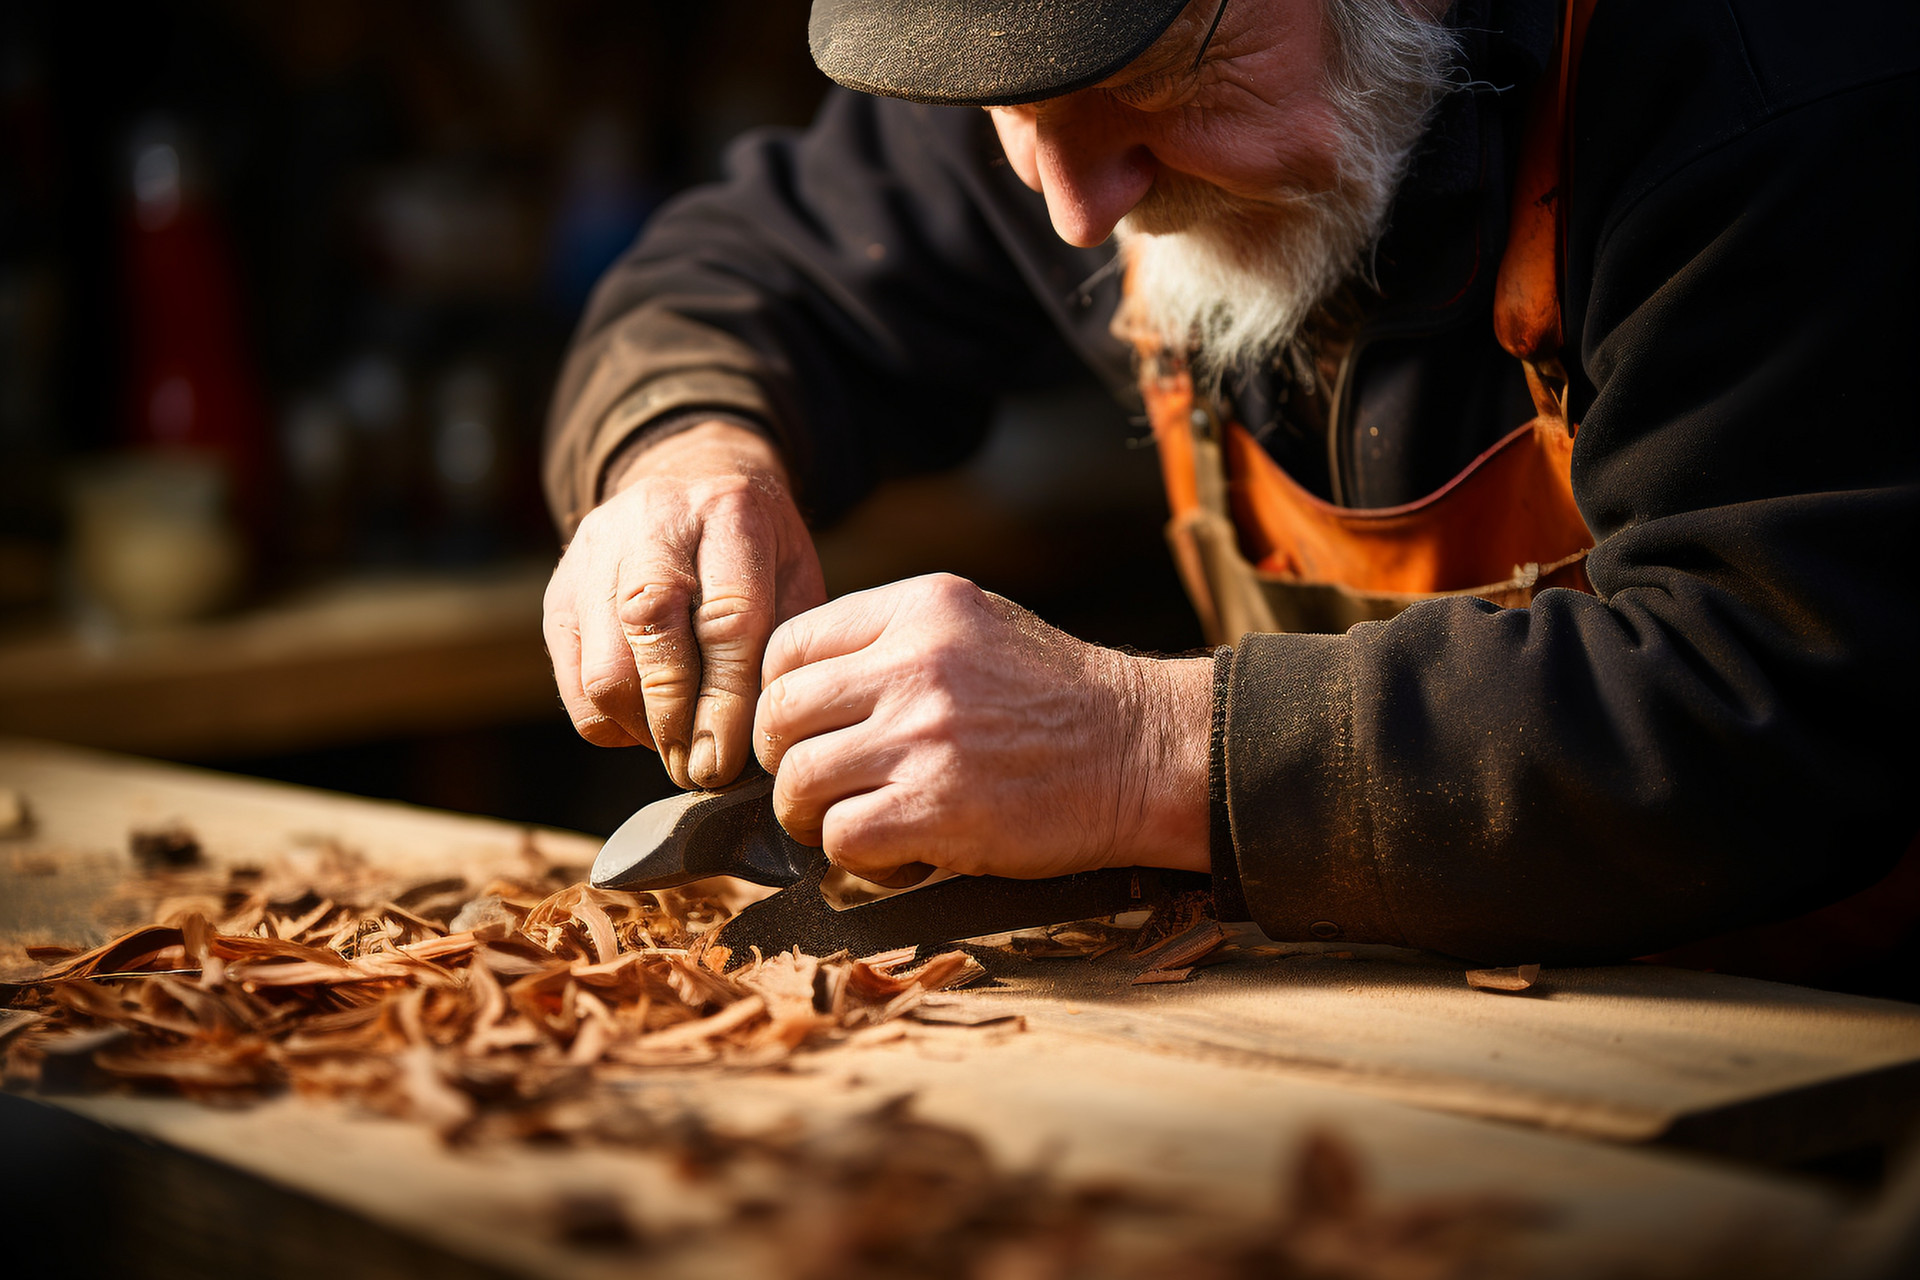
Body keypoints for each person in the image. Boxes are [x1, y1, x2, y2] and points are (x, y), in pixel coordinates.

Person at [540, 0, 1920, 979]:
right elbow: (747, 270)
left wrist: (1143, 748)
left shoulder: (1771, 84)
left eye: (1159, 76)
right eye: (1022, 112)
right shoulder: (1062, 74)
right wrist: (681, 447)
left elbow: (1783, 684)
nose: (1077, 207)